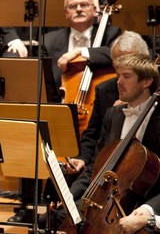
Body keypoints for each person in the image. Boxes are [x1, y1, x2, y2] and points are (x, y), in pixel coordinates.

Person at [54, 54, 160, 234]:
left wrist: (147, 210)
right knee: (59, 218)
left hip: (142, 203)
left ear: (146, 81)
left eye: (126, 76)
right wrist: (70, 196)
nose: (118, 82)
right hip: (103, 201)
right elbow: (97, 167)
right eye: (118, 75)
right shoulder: (113, 115)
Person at [63, 30, 150, 175]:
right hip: (107, 167)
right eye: (117, 64)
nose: (121, 69)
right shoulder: (104, 90)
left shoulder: (155, 91)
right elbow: (92, 133)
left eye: (129, 62)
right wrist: (82, 159)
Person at [43, 0, 121, 100]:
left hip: (100, 105)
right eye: (72, 6)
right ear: (65, 13)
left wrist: (80, 51)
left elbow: (117, 54)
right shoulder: (48, 41)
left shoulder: (111, 33)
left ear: (94, 10)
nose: (78, 9)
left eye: (84, 5)